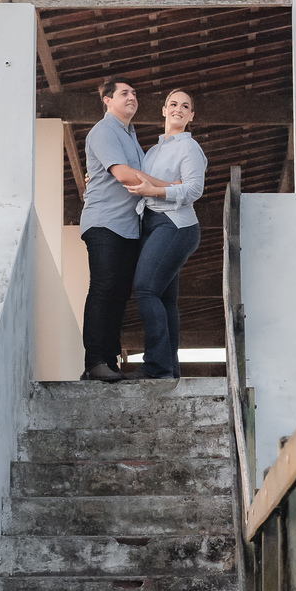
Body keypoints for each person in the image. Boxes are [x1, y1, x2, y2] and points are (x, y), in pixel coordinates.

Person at [122, 89, 207, 379]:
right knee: (164, 299)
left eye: (186, 106)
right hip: (151, 223)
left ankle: (156, 366)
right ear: (164, 110)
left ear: (191, 116)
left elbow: (194, 189)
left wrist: (158, 189)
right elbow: (135, 181)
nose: (178, 109)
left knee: (145, 288)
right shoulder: (152, 151)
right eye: (173, 104)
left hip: (176, 225)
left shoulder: (190, 148)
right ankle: (169, 368)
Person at [78, 79, 148, 383]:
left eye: (134, 93)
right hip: (104, 223)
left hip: (127, 228)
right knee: (104, 288)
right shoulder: (104, 131)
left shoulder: (130, 135)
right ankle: (95, 362)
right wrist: (171, 187)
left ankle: (109, 361)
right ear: (107, 100)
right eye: (124, 93)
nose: (132, 97)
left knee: (118, 295)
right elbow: (123, 175)